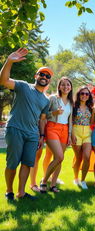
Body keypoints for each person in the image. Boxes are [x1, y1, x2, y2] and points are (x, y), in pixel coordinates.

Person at [0, 48, 51, 200]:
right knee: (12, 163)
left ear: (49, 80)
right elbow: (3, 81)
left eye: (47, 76)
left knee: (27, 163)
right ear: (36, 76)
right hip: (15, 129)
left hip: (32, 134)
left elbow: (42, 119)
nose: (44, 77)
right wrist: (9, 61)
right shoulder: (23, 86)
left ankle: (21, 192)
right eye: (41, 74)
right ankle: (9, 191)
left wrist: (41, 135)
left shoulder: (46, 100)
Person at [40, 77, 73, 193]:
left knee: (58, 159)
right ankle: (44, 181)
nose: (65, 87)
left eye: (68, 85)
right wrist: (54, 113)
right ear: (59, 87)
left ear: (71, 87)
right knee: (60, 156)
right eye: (63, 85)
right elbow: (43, 115)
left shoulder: (71, 102)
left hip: (64, 130)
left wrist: (69, 135)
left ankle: (53, 185)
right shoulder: (53, 98)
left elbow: (70, 120)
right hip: (52, 128)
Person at [72, 86, 93, 189]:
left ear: (89, 96)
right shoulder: (73, 106)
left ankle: (83, 180)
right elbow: (70, 121)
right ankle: (76, 178)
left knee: (87, 157)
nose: (84, 95)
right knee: (78, 157)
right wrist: (71, 135)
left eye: (87, 94)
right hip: (76, 132)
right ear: (79, 95)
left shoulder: (91, 107)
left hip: (88, 133)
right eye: (82, 93)